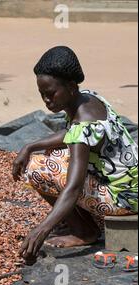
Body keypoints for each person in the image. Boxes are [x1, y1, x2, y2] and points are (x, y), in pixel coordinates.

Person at [12, 46, 138, 264]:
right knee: (50, 155)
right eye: (42, 94)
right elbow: (72, 133)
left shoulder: (83, 122)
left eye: (51, 94)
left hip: (126, 200)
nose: (46, 100)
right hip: (132, 185)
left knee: (37, 169)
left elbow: (74, 188)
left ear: (70, 86)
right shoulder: (88, 98)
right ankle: (81, 222)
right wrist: (30, 145)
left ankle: (84, 231)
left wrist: (41, 230)